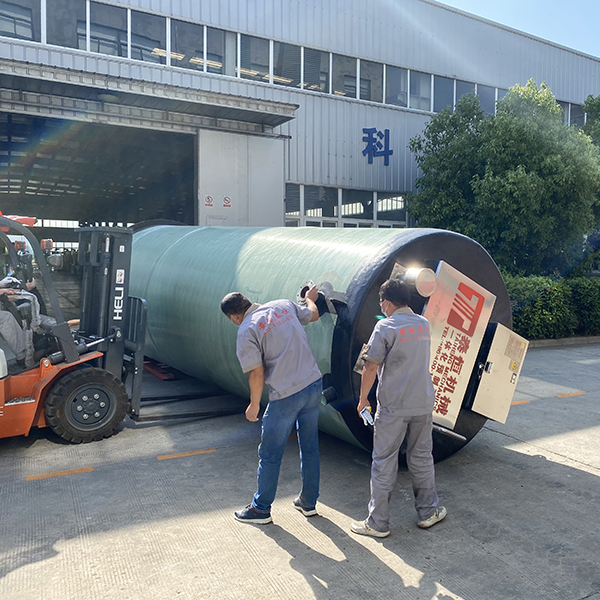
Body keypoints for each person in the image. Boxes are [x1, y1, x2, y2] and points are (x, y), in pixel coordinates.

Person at [351, 278, 446, 538]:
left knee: (384, 461)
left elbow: (370, 365)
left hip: (394, 406)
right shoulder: (423, 323)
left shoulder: (385, 326)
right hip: (422, 402)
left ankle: (378, 523)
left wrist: (363, 399)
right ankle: (428, 513)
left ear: (386, 302)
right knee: (422, 457)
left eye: (381, 302)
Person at [221, 286, 322, 524]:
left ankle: (261, 509)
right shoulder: (283, 305)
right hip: (313, 384)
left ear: (234, 317)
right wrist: (310, 299)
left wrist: (254, 404)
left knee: (270, 454)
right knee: (309, 447)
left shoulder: (247, 330)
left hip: (286, 395)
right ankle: (308, 502)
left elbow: (256, 372)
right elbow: (313, 315)